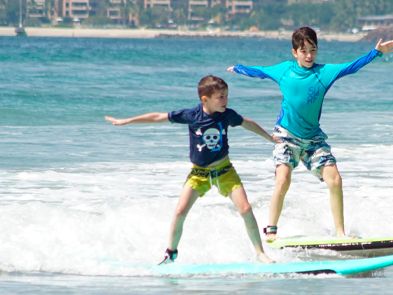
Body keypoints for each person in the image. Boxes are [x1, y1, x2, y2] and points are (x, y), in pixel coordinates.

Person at [226, 27, 393, 241]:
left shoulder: (323, 73)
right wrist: (239, 68)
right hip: (286, 137)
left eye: (313, 50)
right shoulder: (284, 71)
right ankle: (271, 231)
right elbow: (260, 71)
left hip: (314, 140)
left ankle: (340, 234)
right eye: (304, 50)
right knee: (283, 179)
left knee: (335, 180)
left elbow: (351, 67)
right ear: (294, 52)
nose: (309, 55)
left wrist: (376, 52)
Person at [105, 75, 278, 264]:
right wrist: (128, 120)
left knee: (246, 209)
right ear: (205, 99)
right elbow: (158, 117)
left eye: (226, 96)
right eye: (221, 97)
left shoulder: (226, 115)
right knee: (180, 211)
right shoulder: (192, 115)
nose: (225, 101)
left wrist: (268, 138)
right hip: (199, 174)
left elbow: (247, 123)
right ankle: (171, 253)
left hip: (224, 171)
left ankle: (260, 253)